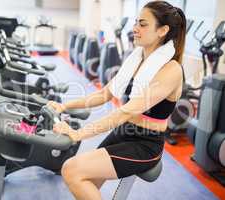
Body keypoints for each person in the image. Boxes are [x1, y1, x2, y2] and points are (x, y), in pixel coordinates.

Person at [47, 1, 186, 199]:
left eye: (143, 24)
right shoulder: (136, 60)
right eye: (136, 22)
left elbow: (126, 111)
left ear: (162, 30)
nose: (135, 28)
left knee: (71, 169)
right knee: (85, 181)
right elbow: (104, 94)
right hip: (123, 132)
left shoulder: (171, 70)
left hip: (145, 144)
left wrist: (77, 134)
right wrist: (64, 106)